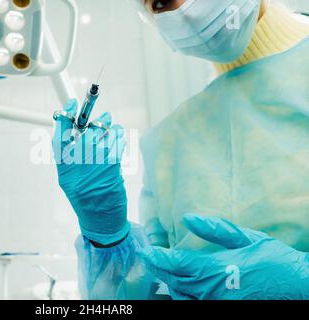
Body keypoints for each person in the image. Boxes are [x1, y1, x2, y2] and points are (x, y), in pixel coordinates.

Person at [52, 0, 309, 300]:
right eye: (159, 2)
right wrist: (107, 237)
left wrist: (302, 282)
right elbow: (157, 290)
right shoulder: (169, 140)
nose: (183, 8)